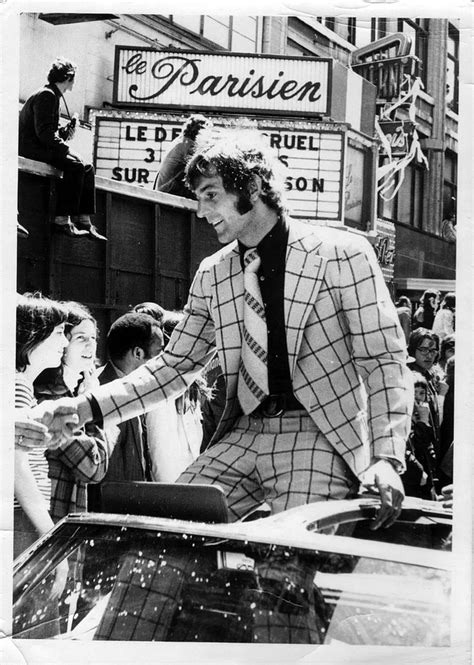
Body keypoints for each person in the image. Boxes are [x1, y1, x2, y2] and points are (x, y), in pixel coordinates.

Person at [33, 133, 413, 530]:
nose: (200, 211)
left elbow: (382, 359)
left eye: (211, 195)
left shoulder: (343, 255)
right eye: (198, 197)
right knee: (165, 542)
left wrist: (386, 460)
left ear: (253, 186)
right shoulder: (213, 272)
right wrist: (80, 408)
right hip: (243, 431)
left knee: (285, 567)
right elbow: (172, 368)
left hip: (318, 434)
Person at [33, 301, 111, 523]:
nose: (91, 345)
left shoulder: (73, 390)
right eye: (80, 338)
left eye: (93, 338)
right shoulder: (49, 397)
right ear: (63, 343)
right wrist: (92, 404)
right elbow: (94, 467)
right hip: (52, 520)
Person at [18, 57, 106, 241]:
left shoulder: (52, 95)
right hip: (30, 148)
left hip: (38, 146)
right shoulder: (47, 95)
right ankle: (61, 220)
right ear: (68, 78)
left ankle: (83, 220)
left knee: (87, 167)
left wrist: (66, 132)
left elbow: (48, 132)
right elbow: (44, 135)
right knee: (76, 165)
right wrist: (66, 149)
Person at [87, 312, 163, 511]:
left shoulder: (131, 387)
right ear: (138, 353)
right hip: (114, 513)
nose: (163, 361)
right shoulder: (101, 393)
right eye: (159, 352)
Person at [14, 293, 68, 557]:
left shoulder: (20, 385)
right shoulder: (17, 387)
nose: (65, 342)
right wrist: (50, 535)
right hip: (21, 520)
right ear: (33, 335)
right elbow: (18, 470)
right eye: (59, 333)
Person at [153, 114, 212, 198]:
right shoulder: (189, 146)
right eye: (208, 133)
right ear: (201, 131)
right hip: (169, 195)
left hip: (162, 192)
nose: (208, 138)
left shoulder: (180, 142)